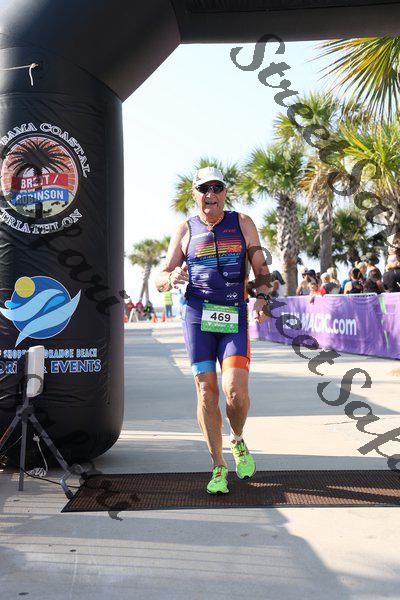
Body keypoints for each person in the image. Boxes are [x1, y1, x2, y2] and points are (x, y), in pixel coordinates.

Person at [155, 166, 271, 495]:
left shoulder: (242, 223)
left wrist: (262, 298)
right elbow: (161, 277)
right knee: (207, 392)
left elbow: (261, 268)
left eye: (217, 188)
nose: (211, 195)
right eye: (204, 189)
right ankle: (218, 465)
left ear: (225, 193)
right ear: (194, 195)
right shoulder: (185, 230)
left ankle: (237, 440)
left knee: (235, 392)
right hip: (197, 316)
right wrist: (170, 278)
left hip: (233, 313)